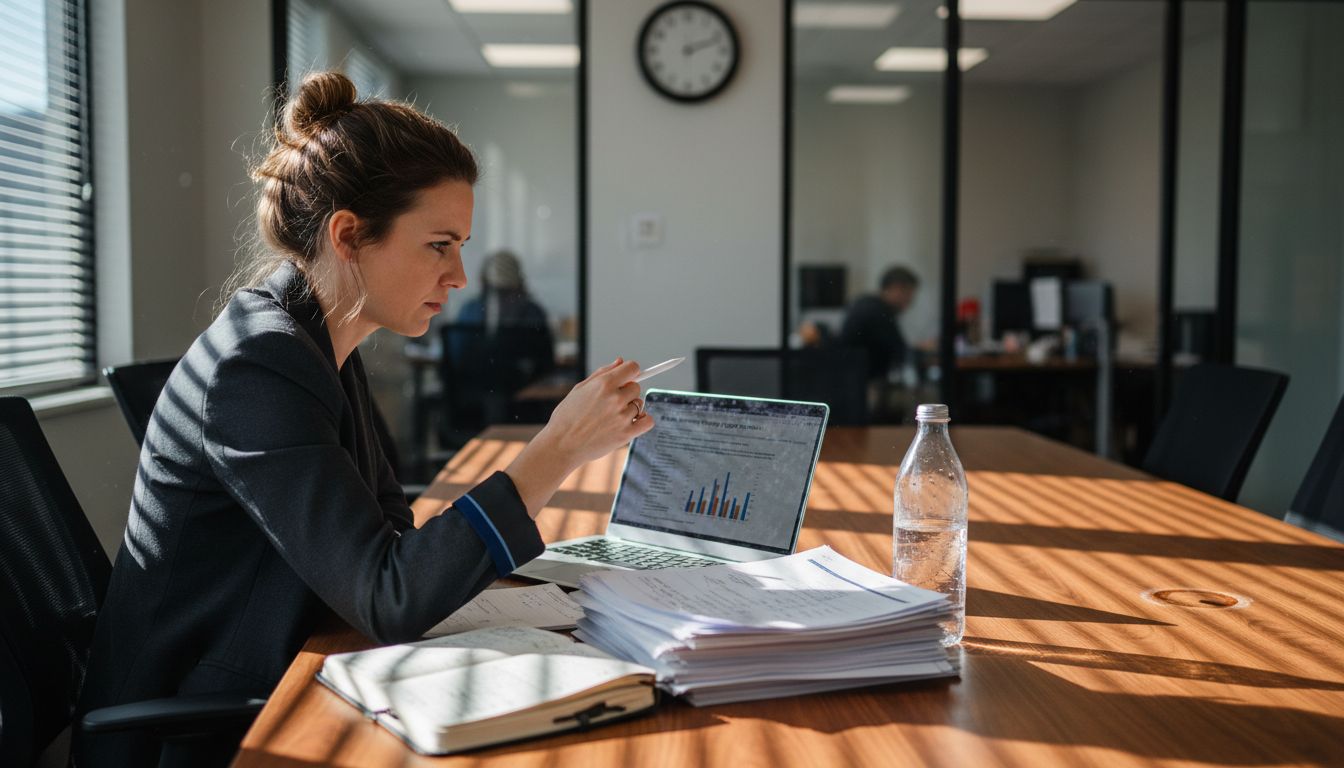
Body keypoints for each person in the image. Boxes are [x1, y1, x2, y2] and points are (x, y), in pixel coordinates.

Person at [73, 72, 653, 767]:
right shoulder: (258, 368)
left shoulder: (319, 343)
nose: (460, 275)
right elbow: (389, 596)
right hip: (199, 728)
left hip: (286, 659)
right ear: (350, 235)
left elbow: (387, 540)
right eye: (440, 244)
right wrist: (557, 449)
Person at [840, 265, 919, 381]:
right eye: (908, 295)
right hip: (860, 382)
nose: (910, 302)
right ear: (896, 288)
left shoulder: (868, 303)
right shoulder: (878, 312)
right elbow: (899, 351)